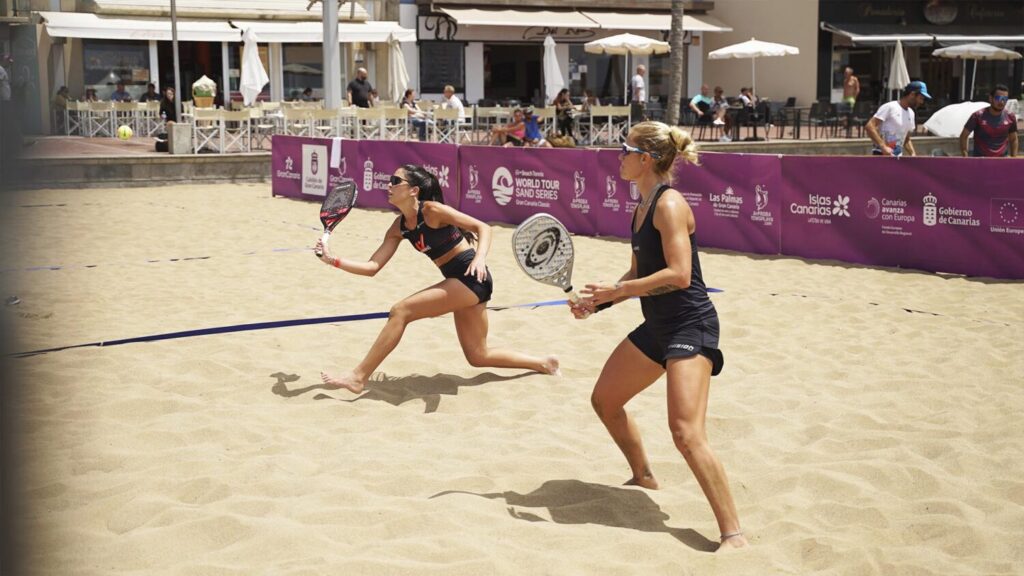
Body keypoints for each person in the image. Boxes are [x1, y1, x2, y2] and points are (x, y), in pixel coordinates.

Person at [568, 121, 747, 551]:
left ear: (644, 159)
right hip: (659, 326)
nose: (619, 158)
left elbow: (680, 275)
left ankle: (733, 535)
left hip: (691, 325)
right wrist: (600, 302)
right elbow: (637, 275)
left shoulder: (669, 205)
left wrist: (621, 290)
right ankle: (644, 475)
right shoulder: (640, 206)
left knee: (686, 433)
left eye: (623, 150)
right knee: (605, 401)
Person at [316, 164, 559, 393]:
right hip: (460, 282)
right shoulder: (398, 227)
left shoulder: (432, 211)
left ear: (414, 190)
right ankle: (543, 363)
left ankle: (358, 377)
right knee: (478, 356)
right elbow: (372, 267)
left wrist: (480, 258)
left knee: (401, 311)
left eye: (395, 181)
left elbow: (483, 228)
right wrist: (333, 260)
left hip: (471, 277)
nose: (388, 185)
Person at [866, 80, 930, 157]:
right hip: (881, 155)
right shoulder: (890, 107)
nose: (921, 102)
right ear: (912, 94)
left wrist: (913, 154)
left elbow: (906, 137)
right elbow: (870, 126)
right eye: (921, 98)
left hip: (897, 158)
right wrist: (883, 147)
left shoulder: (911, 113)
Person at [959, 84, 1018, 158]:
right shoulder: (977, 116)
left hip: (1002, 161)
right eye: (998, 98)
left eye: (1005, 99)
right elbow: (963, 136)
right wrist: (965, 156)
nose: (1002, 102)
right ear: (990, 98)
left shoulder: (1010, 117)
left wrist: (1014, 158)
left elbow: (1014, 139)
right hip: (981, 162)